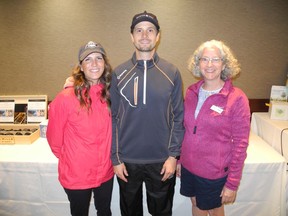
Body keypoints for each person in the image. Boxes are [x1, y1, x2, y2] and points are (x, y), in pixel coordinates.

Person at [110, 11, 185, 216]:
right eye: (139, 30)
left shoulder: (171, 73)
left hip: (161, 161)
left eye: (150, 30)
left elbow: (178, 117)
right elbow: (113, 118)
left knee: (162, 212)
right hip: (127, 161)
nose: (145, 35)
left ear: (158, 36)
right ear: (132, 36)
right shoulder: (118, 73)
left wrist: (173, 156)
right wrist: (116, 159)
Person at [177, 40, 250, 216]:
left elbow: (241, 144)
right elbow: (185, 129)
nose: (210, 64)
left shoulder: (236, 98)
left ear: (224, 64)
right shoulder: (191, 92)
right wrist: (180, 160)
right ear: (198, 63)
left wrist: (232, 183)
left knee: (213, 209)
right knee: (195, 203)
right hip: (189, 167)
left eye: (215, 59)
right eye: (204, 59)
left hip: (213, 172)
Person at [46, 41, 114, 216]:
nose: (94, 64)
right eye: (88, 59)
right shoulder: (65, 98)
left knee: (105, 211)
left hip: (105, 171)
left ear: (105, 64)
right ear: (81, 67)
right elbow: (54, 140)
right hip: (77, 174)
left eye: (99, 58)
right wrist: (74, 159)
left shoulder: (110, 94)